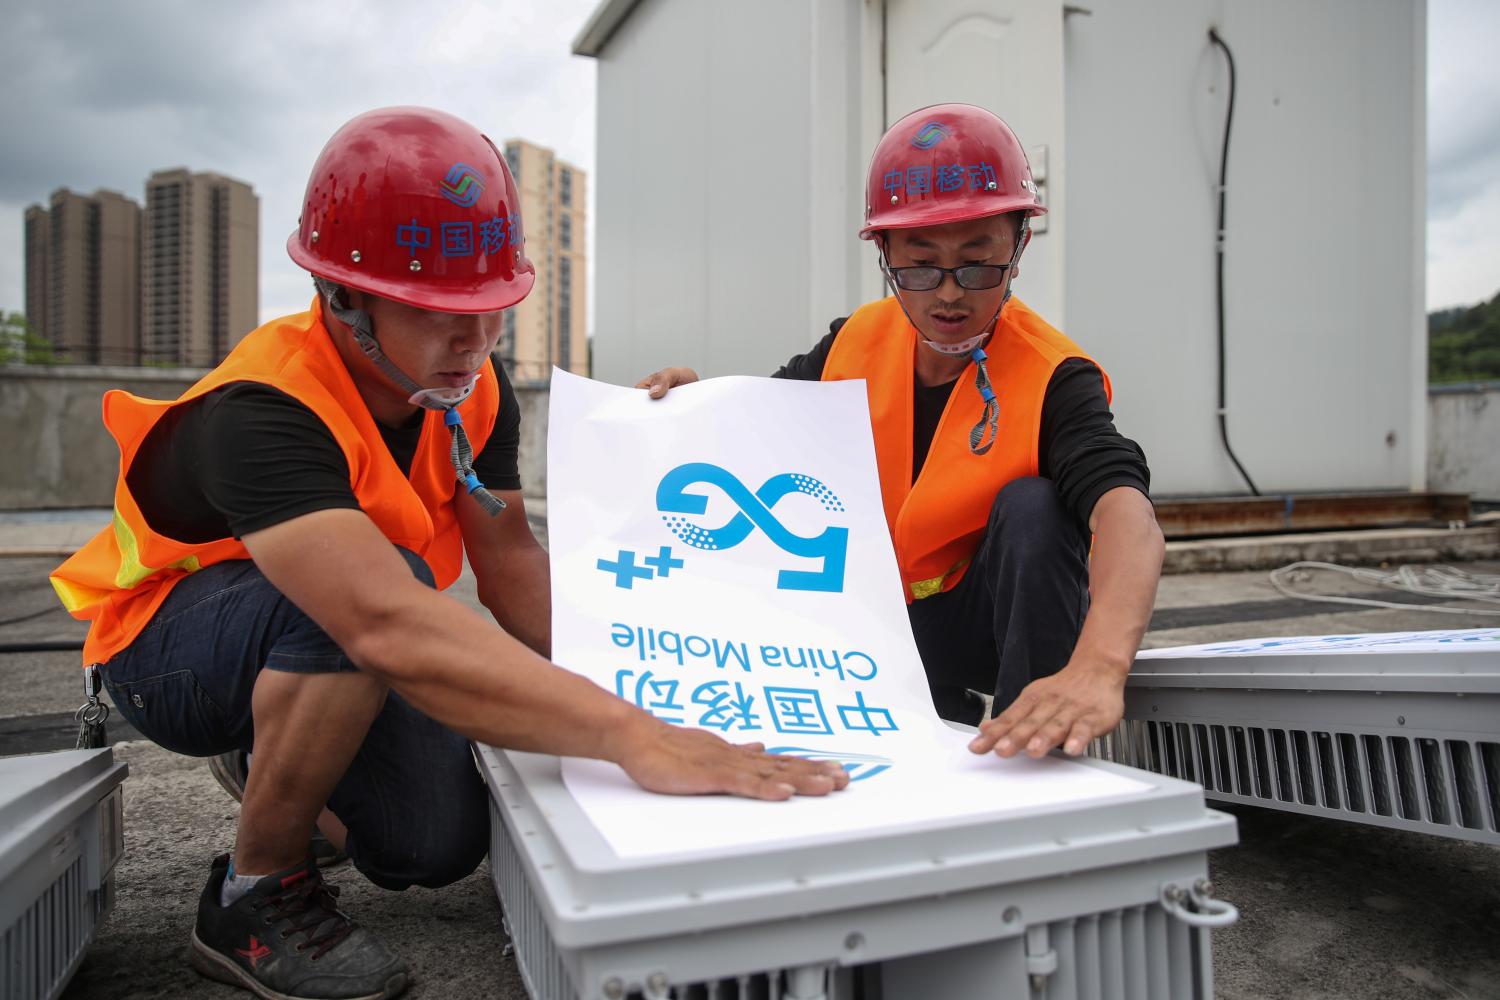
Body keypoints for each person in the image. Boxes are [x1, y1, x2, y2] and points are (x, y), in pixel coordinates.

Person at [51, 106, 846, 1000]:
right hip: (169, 651)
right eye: (437, 312)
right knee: (361, 608)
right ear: (343, 297)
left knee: (432, 844)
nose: (474, 342)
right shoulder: (264, 408)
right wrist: (636, 738)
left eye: (492, 310)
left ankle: (280, 755)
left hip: (330, 632)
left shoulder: (471, 385)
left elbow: (508, 565)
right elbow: (380, 620)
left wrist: (651, 686)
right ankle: (253, 890)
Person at [638, 104, 1163, 764]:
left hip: (983, 625)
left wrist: (1100, 667)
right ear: (885, 255)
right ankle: (921, 704)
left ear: (1018, 250)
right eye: (919, 267)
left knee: (1037, 506)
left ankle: (1040, 744)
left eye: (978, 266)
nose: (949, 295)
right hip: (869, 625)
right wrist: (691, 405)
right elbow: (752, 428)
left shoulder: (1055, 375)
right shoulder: (853, 343)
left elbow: (1127, 515)